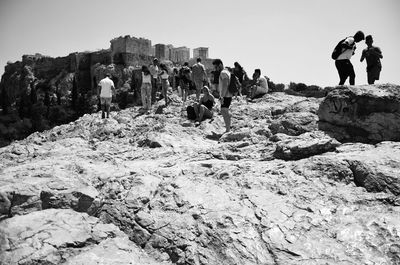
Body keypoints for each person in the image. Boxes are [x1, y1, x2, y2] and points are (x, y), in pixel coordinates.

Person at [213, 59, 232, 133]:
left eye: (216, 67)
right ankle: (228, 128)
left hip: (226, 95)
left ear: (220, 65)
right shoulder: (227, 71)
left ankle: (228, 130)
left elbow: (225, 84)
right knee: (225, 111)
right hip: (228, 95)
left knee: (224, 111)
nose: (216, 69)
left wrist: (222, 96)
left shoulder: (223, 72)